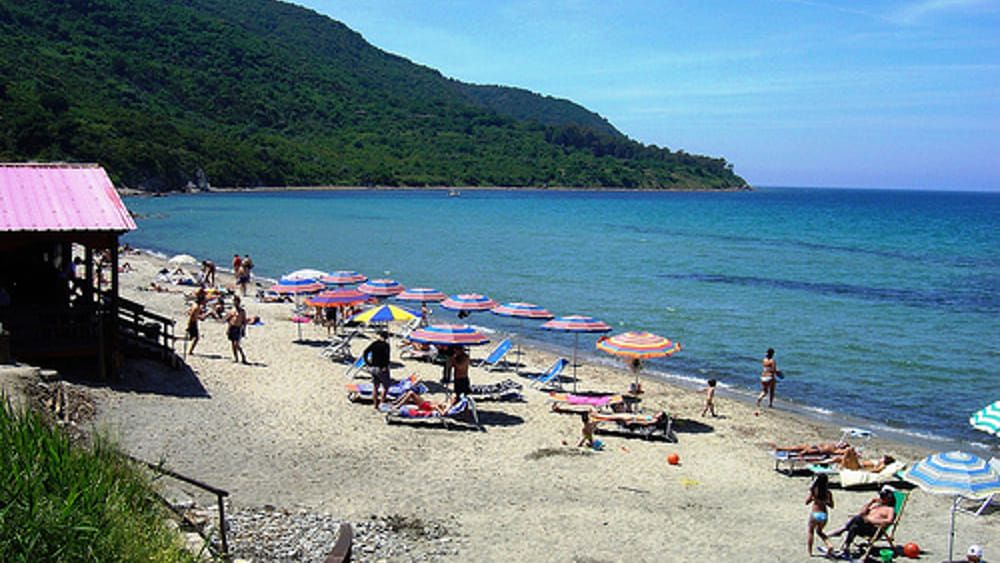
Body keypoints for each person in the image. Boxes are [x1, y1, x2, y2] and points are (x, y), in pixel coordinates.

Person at [828, 486, 896, 554]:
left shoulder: (890, 509)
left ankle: (842, 530)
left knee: (858, 518)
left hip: (874, 529)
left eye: (883, 496)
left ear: (889, 498)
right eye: (880, 496)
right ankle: (846, 547)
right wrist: (871, 502)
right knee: (854, 527)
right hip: (864, 526)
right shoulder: (876, 505)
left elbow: (889, 521)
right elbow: (862, 513)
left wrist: (871, 521)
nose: (881, 498)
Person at [806, 474, 835, 556]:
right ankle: (829, 545)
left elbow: (807, 502)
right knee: (820, 532)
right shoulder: (828, 493)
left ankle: (810, 552)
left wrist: (813, 499)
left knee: (811, 531)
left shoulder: (814, 491)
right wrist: (825, 502)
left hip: (815, 513)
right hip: (824, 514)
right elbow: (832, 505)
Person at [362, 331, 391, 410]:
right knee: (386, 387)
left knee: (375, 387)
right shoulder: (386, 345)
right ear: (386, 338)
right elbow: (386, 357)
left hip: (373, 368)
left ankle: (375, 405)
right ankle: (381, 404)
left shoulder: (374, 343)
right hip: (381, 368)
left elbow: (365, 352)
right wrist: (385, 366)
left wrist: (367, 363)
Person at [225, 295, 248, 364]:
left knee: (236, 344)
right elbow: (229, 320)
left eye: (236, 301)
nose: (235, 303)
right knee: (233, 344)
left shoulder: (242, 311)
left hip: (238, 328)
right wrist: (228, 329)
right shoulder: (232, 310)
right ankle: (236, 358)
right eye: (234, 301)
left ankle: (243, 356)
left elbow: (244, 322)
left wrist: (244, 330)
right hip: (232, 327)